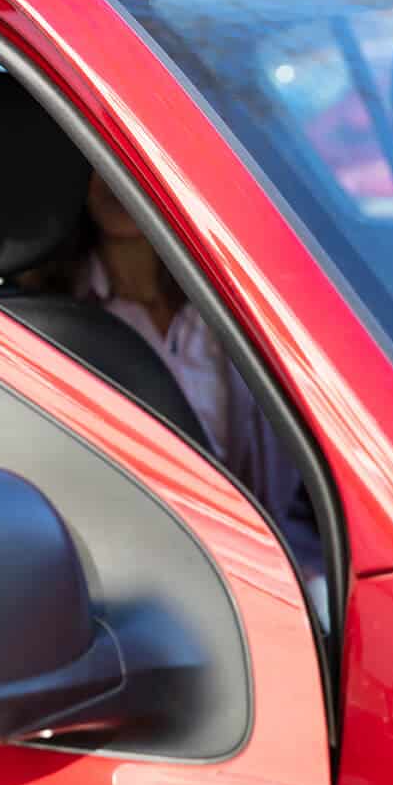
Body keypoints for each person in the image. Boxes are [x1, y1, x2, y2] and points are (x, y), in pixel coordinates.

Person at [29, 171, 325, 582]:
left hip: (284, 571)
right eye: (100, 164)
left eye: (131, 161)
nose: (114, 182)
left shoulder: (245, 302)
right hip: (154, 579)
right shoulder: (45, 325)